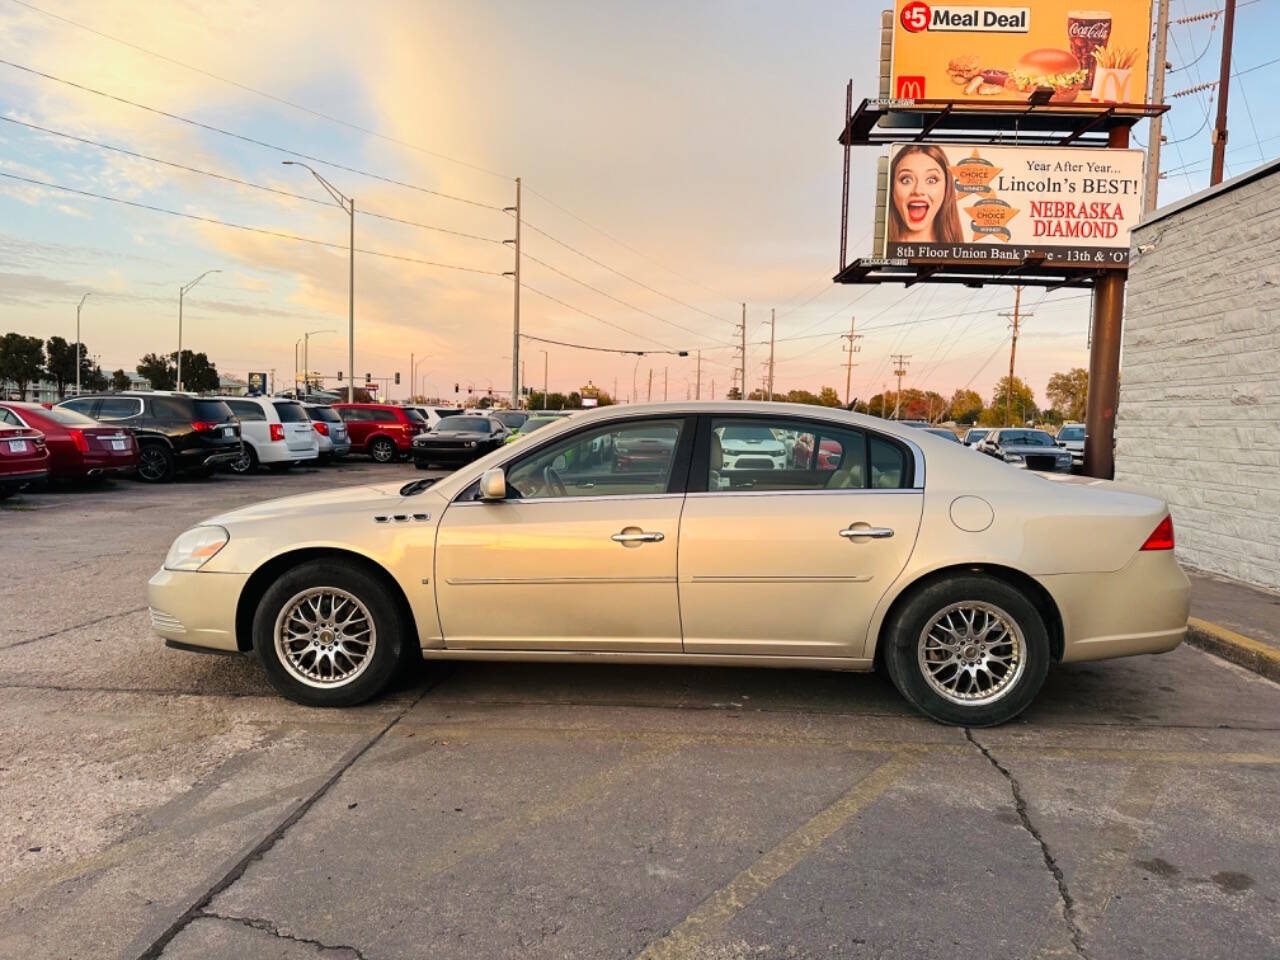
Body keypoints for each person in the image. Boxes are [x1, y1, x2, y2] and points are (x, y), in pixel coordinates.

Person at [887, 144, 963, 246]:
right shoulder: (879, 249)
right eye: (906, 180)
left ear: (947, 188)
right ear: (892, 188)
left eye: (931, 180)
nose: (918, 190)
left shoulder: (963, 254)